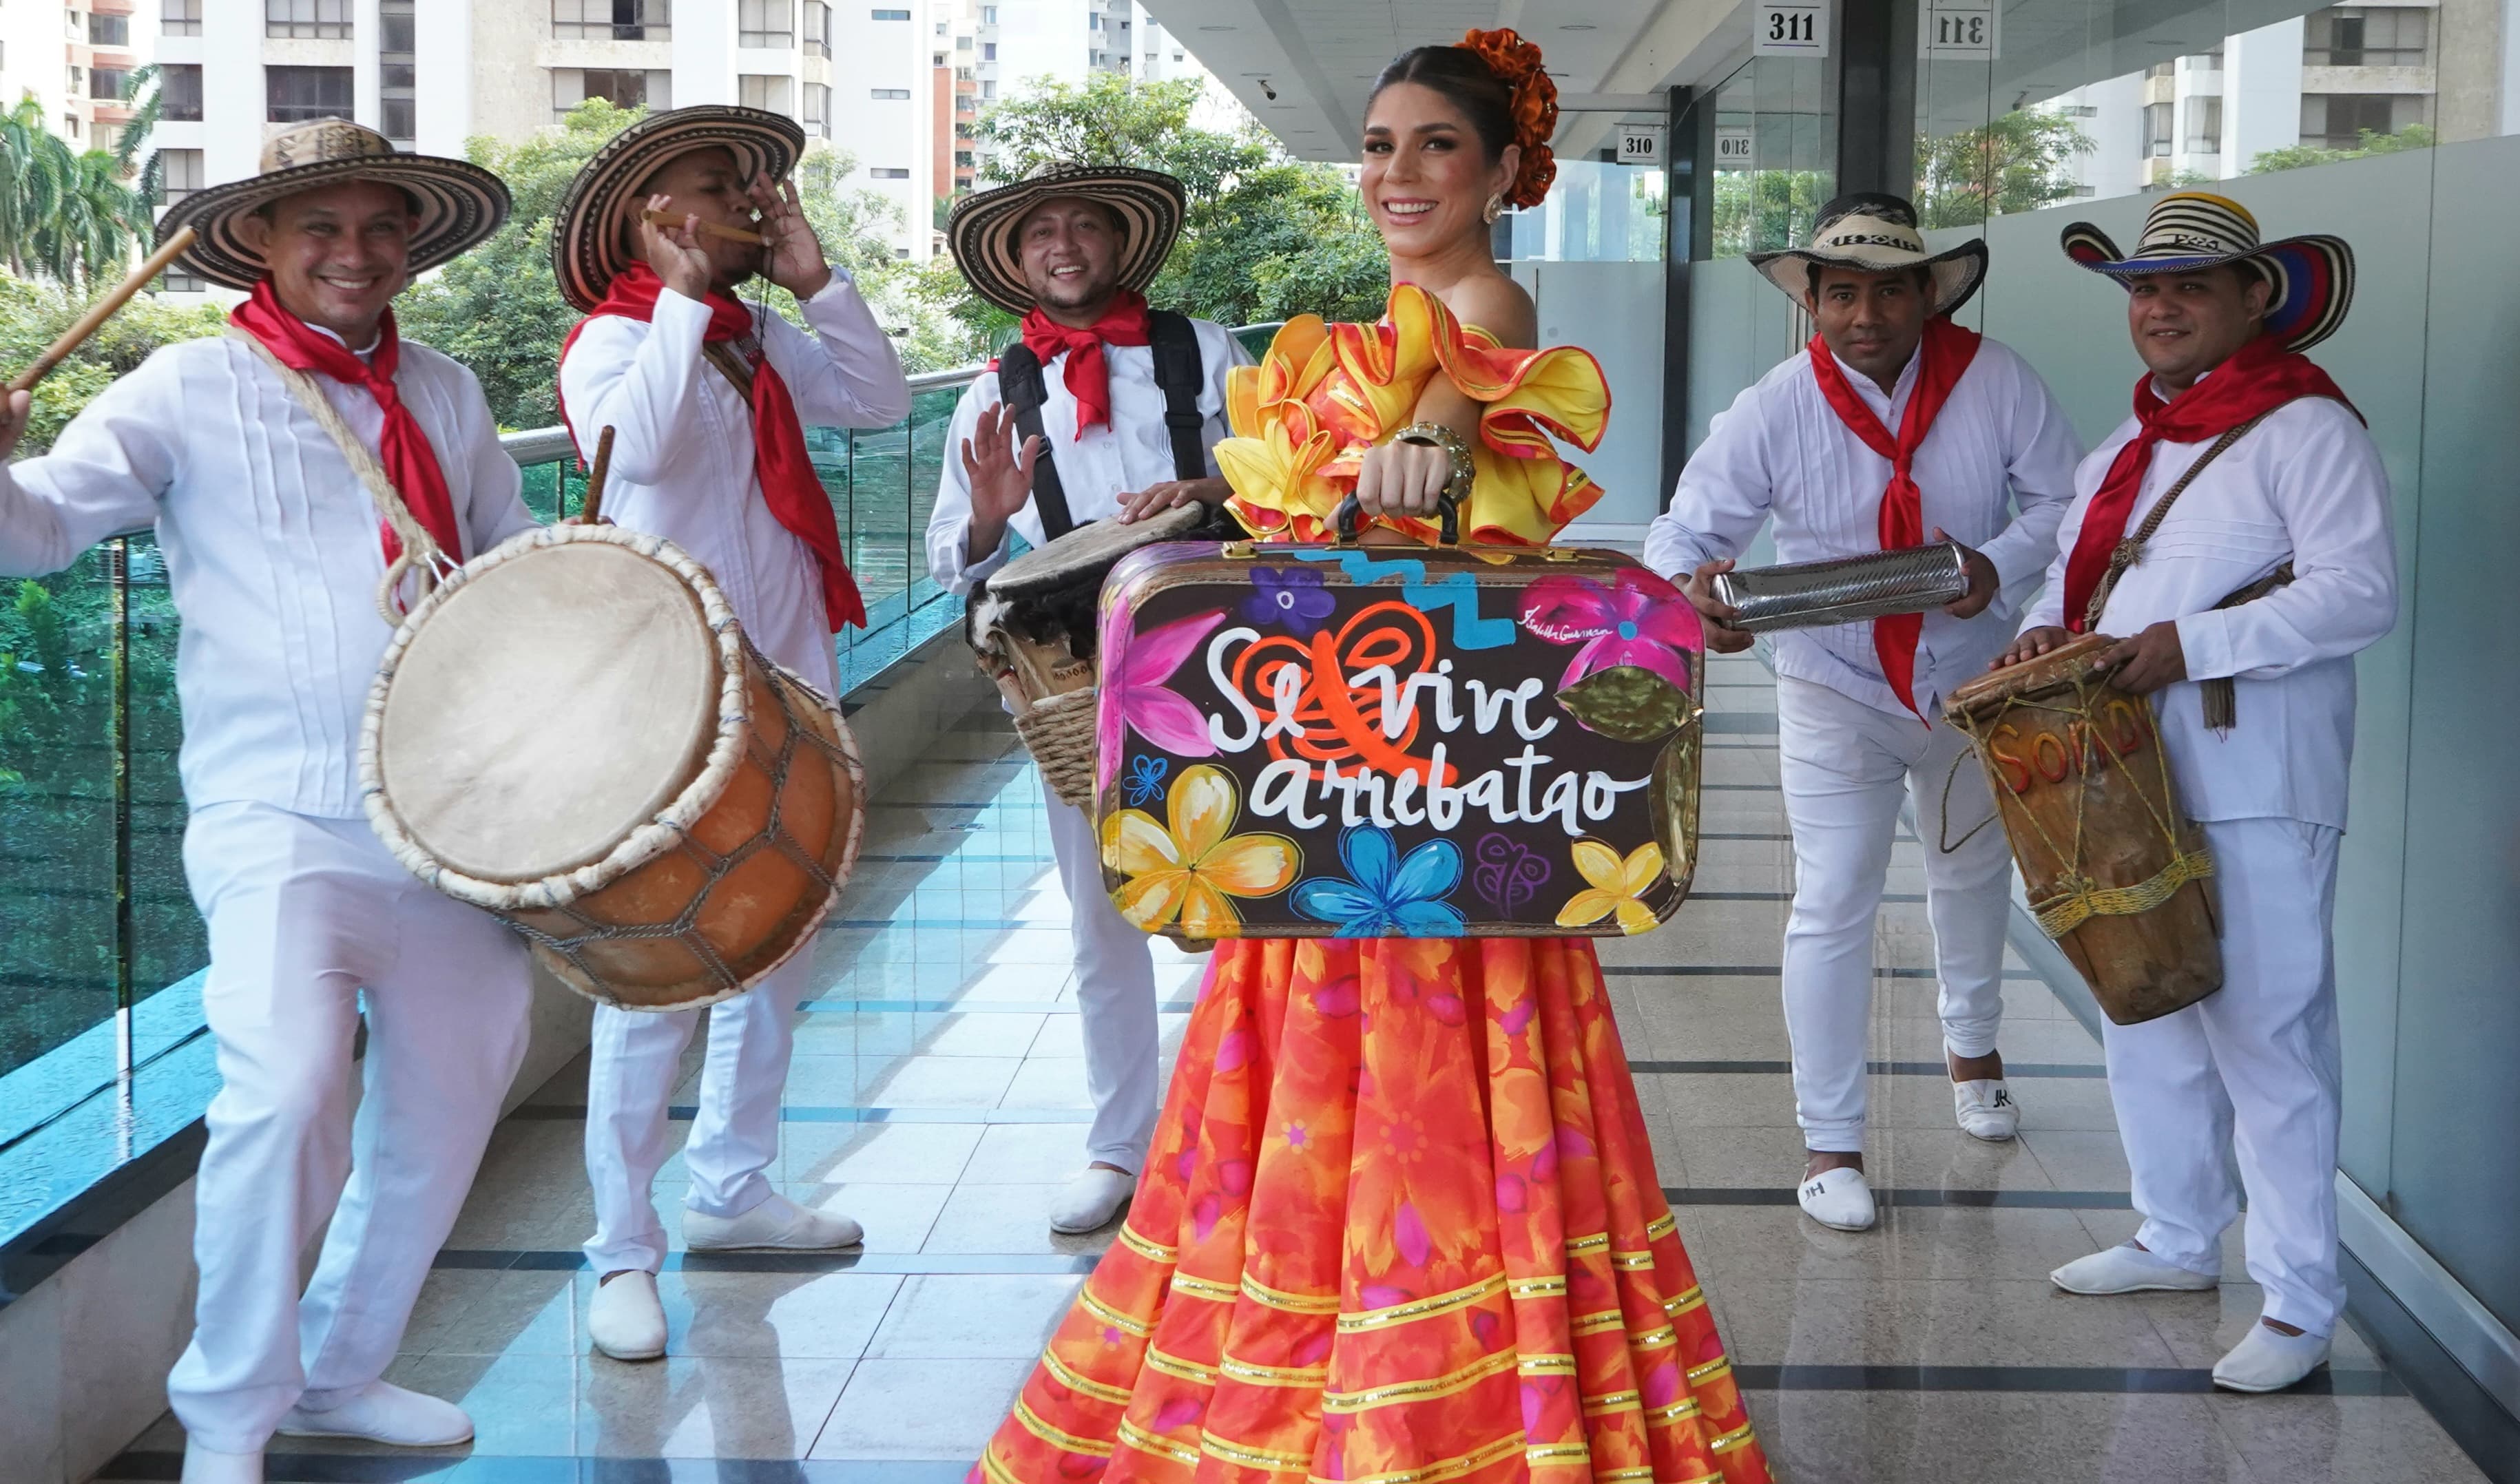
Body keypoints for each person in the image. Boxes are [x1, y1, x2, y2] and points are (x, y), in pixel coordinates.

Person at [969, 32, 1771, 1484]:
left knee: (1404, 1071)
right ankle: (1372, 1360)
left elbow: (1454, 427)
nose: (1397, 172)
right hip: (1353, 772)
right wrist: (1227, 492)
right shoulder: (1388, 311)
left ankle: (1405, 1393)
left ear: (1507, 171)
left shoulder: (1480, 301)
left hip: (1420, 790)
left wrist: (1425, 459)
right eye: (1383, 145)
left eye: (1436, 147)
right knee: (1338, 1066)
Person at [0, 121, 530, 1484]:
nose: (355, 253)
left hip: (456, 819)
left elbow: (513, 571)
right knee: (288, 1095)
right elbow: (44, 530)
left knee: (455, 1092)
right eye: (322, 229)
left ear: (410, 241)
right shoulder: (183, 385)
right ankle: (227, 1423)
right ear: (264, 245)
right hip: (278, 817)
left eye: (379, 227)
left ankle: (338, 1372)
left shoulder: (455, 392)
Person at [1998, 192, 2393, 1394]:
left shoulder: (2308, 430)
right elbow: (2068, 584)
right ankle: (2176, 1235)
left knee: (2268, 1036)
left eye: (2187, 287)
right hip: (2119, 776)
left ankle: (2299, 1303)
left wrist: (2192, 645)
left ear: (2251, 299)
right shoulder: (2122, 449)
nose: (2157, 307)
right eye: (2139, 289)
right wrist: (2032, 640)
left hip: (2257, 772)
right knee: (2147, 1011)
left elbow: (2359, 592)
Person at [1643, 194, 2082, 1232]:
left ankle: (1974, 1057)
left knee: (1971, 873)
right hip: (1831, 679)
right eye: (1842, 293)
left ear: (1929, 293)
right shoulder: (1775, 404)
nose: (1867, 315)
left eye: (1891, 289)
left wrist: (1999, 565)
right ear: (1813, 303)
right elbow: (1683, 531)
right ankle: (1830, 1140)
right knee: (1834, 895)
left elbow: (2070, 504)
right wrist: (1698, 599)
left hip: (1968, 677)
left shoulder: (1998, 381)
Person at [551, 105, 913, 1363]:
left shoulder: (759, 344)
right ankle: (620, 1249)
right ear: (652, 219)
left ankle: (733, 1188)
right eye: (718, 190)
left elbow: (873, 401)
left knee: (781, 932)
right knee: (656, 963)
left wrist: (819, 280)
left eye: (751, 192)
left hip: (791, 671)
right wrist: (679, 302)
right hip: (670, 690)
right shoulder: (609, 345)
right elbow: (637, 443)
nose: (750, 207)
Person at [926, 163, 1253, 1235]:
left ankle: (1249, 1133)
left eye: (1083, 228)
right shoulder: (994, 390)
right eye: (1040, 236)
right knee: (1104, 912)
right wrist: (986, 520)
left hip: (1225, 657)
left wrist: (1208, 490)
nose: (1063, 247)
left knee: (1252, 898)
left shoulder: (1201, 350)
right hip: (1081, 679)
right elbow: (950, 560)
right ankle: (1121, 1149)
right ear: (1017, 262)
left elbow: (1294, 480)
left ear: (1122, 243)